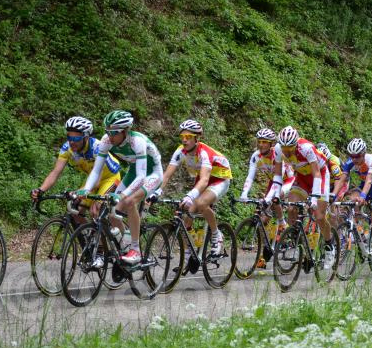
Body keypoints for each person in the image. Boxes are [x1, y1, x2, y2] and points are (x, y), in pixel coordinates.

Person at [80, 111, 162, 264]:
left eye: (113, 133)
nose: (109, 136)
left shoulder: (137, 141)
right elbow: (96, 170)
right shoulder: (106, 140)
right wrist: (86, 189)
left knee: (129, 201)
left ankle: (136, 250)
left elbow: (141, 177)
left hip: (152, 173)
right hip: (133, 171)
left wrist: (122, 195)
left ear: (125, 131)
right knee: (111, 210)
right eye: (107, 131)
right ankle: (125, 246)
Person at [266, 126, 336, 269]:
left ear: (296, 144)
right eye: (284, 147)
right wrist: (276, 193)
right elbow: (278, 175)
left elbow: (317, 173)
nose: (287, 151)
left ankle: (330, 246)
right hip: (302, 178)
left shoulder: (306, 148)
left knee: (320, 216)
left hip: (320, 177)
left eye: (290, 148)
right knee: (291, 208)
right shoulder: (279, 149)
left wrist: (315, 198)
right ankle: (298, 240)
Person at [160, 119, 232, 255]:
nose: (184, 140)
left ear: (197, 139)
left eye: (188, 137)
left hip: (219, 178)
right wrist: (157, 191)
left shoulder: (204, 152)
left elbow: (205, 180)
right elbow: (167, 175)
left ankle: (217, 235)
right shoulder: (180, 151)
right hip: (203, 177)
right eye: (182, 137)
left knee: (200, 202)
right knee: (186, 218)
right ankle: (189, 254)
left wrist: (190, 195)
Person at [31, 116, 121, 225]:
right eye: (69, 138)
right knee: (75, 209)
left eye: (76, 139)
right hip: (92, 180)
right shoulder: (67, 148)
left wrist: (78, 192)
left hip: (110, 178)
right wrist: (40, 190)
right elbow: (55, 172)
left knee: (96, 210)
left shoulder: (97, 148)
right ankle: (88, 237)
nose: (72, 142)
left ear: (86, 137)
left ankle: (106, 240)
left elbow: (97, 181)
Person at [333, 138, 372, 270]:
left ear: (363, 154)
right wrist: (333, 195)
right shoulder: (350, 162)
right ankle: (360, 233)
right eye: (352, 156)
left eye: (357, 156)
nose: (355, 159)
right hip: (364, 187)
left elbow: (369, 181)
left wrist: (363, 196)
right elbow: (342, 179)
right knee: (351, 202)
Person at [239, 128, 295, 236]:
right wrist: (244, 194)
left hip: (287, 181)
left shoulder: (277, 154)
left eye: (264, 142)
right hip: (273, 182)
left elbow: (278, 179)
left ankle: (282, 223)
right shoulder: (256, 156)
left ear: (271, 144)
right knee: (262, 217)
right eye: (259, 141)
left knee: (274, 199)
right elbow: (250, 177)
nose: (261, 145)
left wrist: (267, 199)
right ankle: (266, 245)